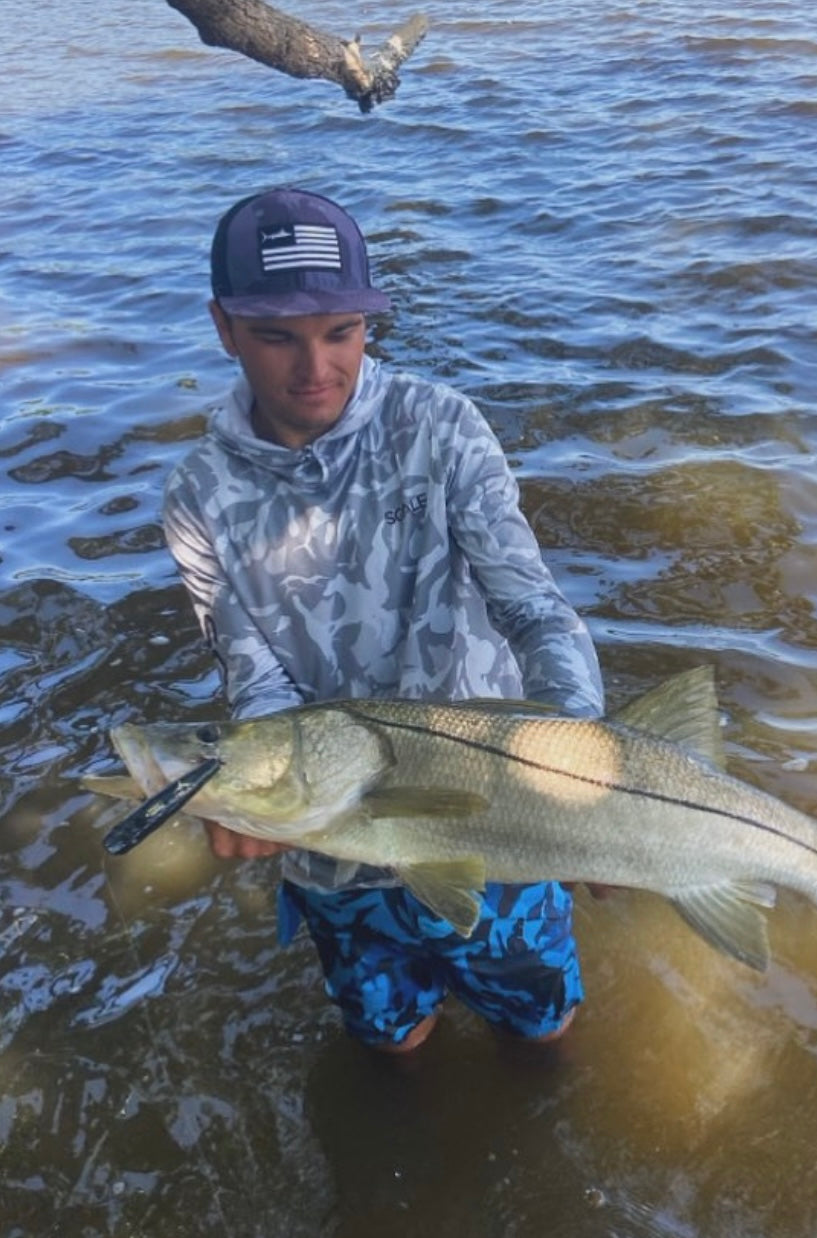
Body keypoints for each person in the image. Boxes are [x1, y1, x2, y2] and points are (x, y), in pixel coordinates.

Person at [163, 186, 605, 1053]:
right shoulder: (195, 495)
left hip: (494, 807)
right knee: (390, 1039)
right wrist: (255, 797)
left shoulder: (444, 429)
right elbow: (253, 676)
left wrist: (585, 772)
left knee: (545, 1027)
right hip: (335, 844)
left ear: (370, 322)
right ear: (224, 328)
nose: (315, 367)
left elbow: (533, 609)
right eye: (277, 336)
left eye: (342, 331)